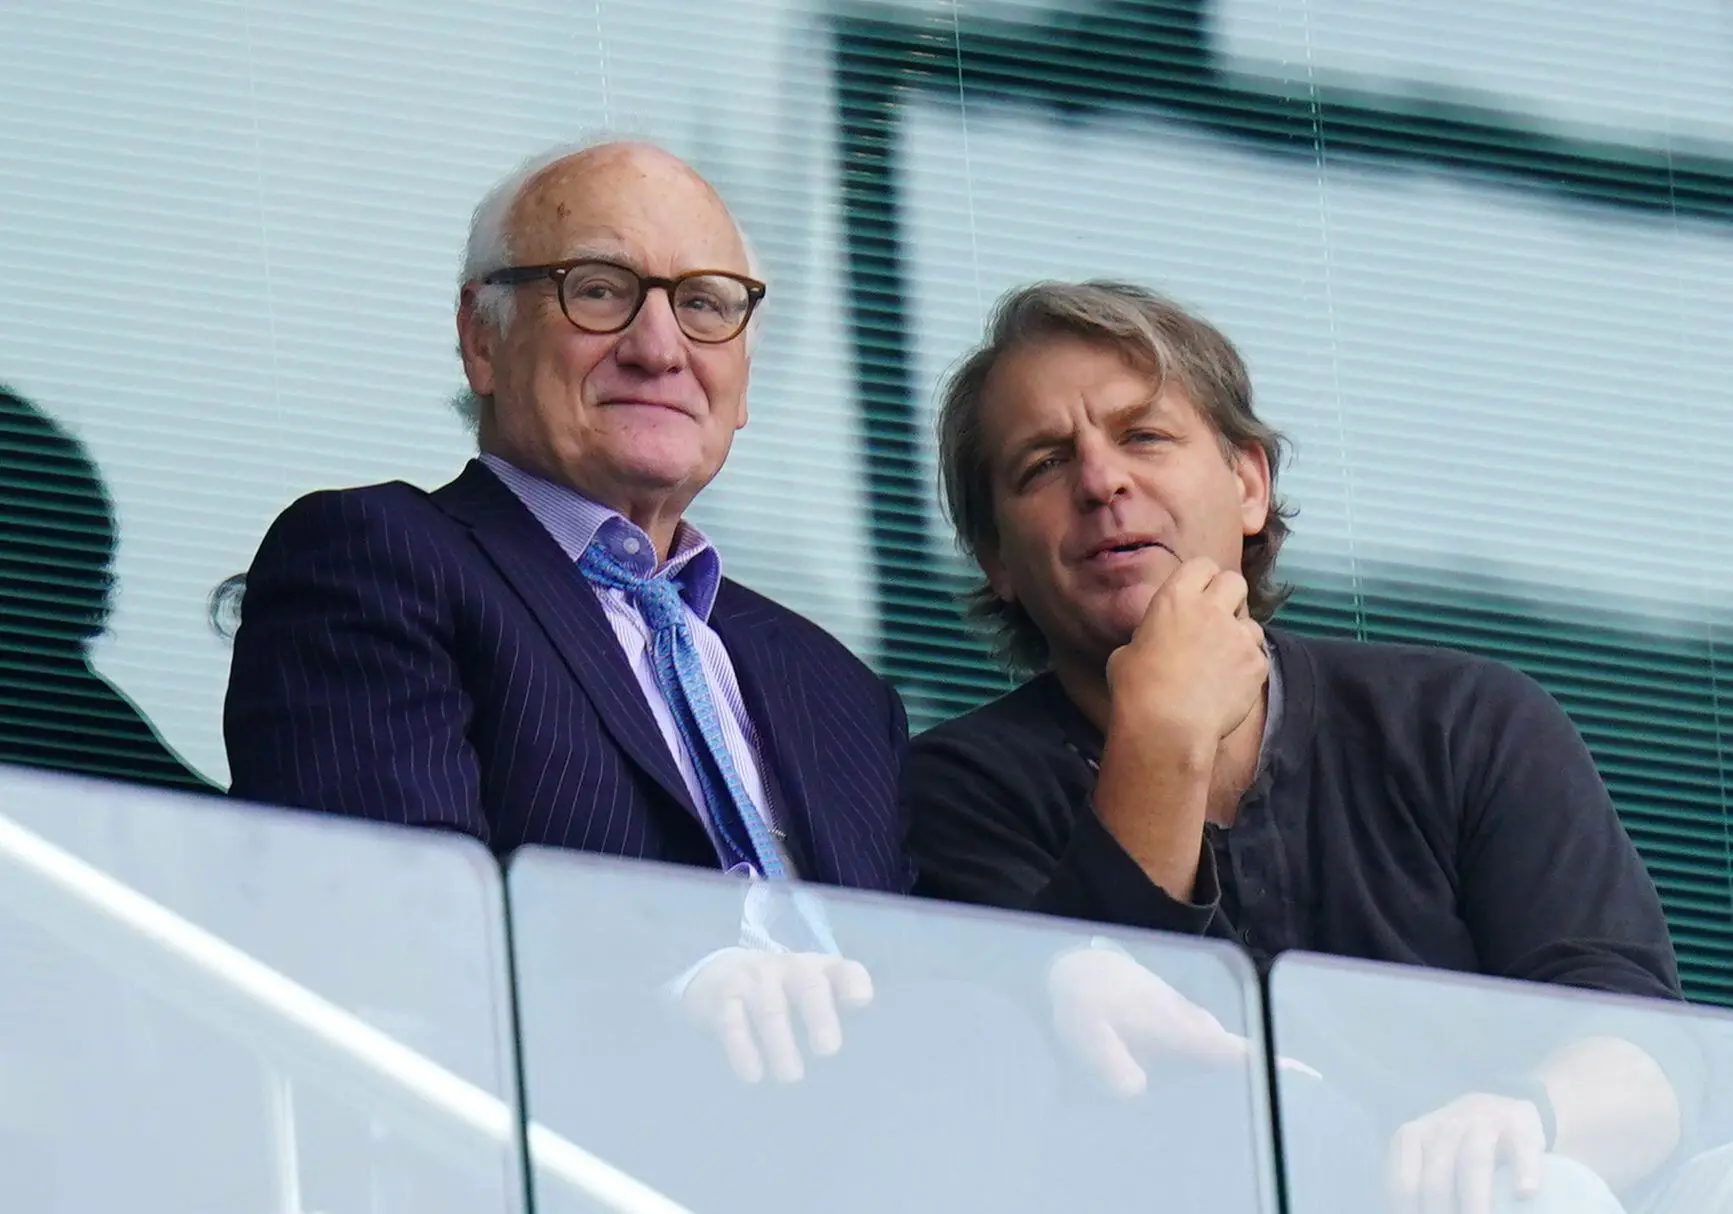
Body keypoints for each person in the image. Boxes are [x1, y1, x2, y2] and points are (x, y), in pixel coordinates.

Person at [904, 280, 1686, 1212]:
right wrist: (1162, 737)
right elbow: (1098, 1094)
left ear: (1248, 484)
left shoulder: (1461, 720)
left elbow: (1642, 1046)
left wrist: (1521, 1114)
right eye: (1041, 464)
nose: (1102, 481)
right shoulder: (951, 791)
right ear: (995, 560)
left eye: (1144, 436)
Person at [224, 140, 908, 1070]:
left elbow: (922, 971)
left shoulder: (836, 687)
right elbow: (379, 933)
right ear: (482, 339)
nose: (659, 347)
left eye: (704, 304)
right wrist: (669, 1001)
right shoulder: (379, 559)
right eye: (598, 289)